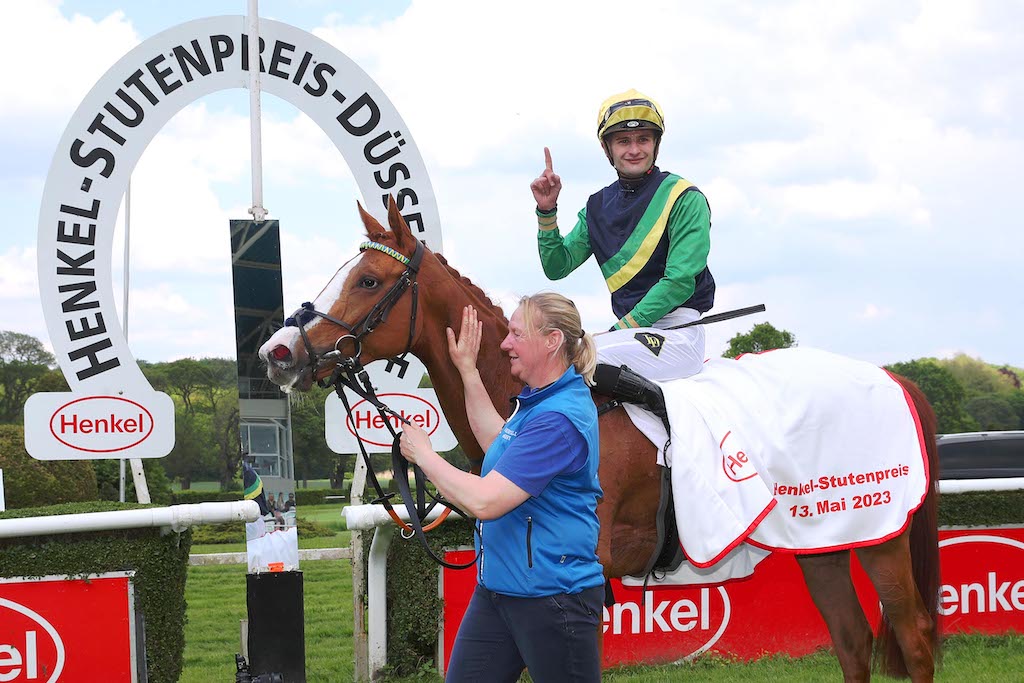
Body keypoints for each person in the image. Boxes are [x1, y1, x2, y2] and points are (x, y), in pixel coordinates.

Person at [399, 293, 604, 683]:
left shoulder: (558, 419)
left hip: (553, 599)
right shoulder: (538, 405)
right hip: (499, 593)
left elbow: (486, 500)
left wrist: (425, 456)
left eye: (515, 334)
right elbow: (498, 441)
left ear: (551, 341)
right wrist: (467, 370)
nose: (505, 343)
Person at [530, 89, 715, 422]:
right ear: (607, 149)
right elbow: (558, 266)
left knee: (574, 359)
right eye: (623, 141)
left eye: (643, 139)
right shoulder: (597, 206)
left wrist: (620, 330)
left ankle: (669, 427)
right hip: (629, 335)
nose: (634, 149)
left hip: (677, 335)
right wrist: (547, 211)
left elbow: (679, 282)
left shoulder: (685, 198)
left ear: (656, 144)